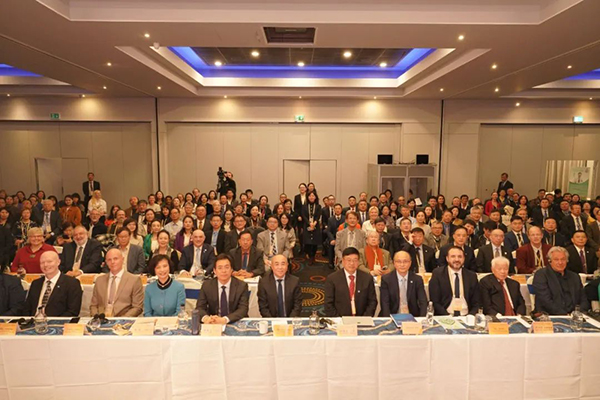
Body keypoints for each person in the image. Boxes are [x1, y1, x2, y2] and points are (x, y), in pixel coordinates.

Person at [532, 246, 590, 315]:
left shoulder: (574, 276)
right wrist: (565, 314)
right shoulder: (541, 275)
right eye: (556, 260)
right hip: (549, 316)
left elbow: (583, 299)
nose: (560, 262)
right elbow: (545, 301)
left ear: (567, 261)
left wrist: (579, 313)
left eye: (563, 259)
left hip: (575, 316)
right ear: (550, 261)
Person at [24, 251, 82, 317]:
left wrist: (54, 322)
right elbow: (27, 309)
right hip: (34, 321)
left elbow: (73, 311)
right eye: (42, 262)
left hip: (59, 322)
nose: (45, 265)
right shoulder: (36, 283)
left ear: (58, 262)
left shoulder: (71, 283)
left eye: (49, 261)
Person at [324, 247, 377, 317]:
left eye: (355, 260)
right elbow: (328, 304)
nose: (352, 263)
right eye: (348, 260)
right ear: (343, 261)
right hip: (340, 320)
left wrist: (364, 319)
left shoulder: (367, 278)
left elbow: (372, 302)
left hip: (362, 319)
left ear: (358, 262)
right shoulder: (332, 279)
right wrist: (339, 320)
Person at [90, 248, 144, 317]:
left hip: (124, 320)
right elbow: (93, 305)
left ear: (122, 259)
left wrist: (122, 320)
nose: (112, 262)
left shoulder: (134, 280)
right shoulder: (99, 280)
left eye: (115, 259)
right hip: (101, 319)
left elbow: (137, 307)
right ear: (106, 262)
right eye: (109, 260)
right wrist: (96, 317)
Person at [196, 254, 249, 324]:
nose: (223, 271)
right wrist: (207, 318)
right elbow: (200, 308)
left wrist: (225, 320)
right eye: (220, 268)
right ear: (214, 271)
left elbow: (243, 309)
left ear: (231, 269)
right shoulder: (207, 285)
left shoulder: (241, 286)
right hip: (213, 322)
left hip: (234, 321)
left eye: (227, 267)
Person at [429, 246, 481, 316]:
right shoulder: (438, 274)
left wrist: (470, 316)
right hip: (445, 316)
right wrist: (447, 317)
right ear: (447, 259)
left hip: (466, 316)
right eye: (453, 256)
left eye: (460, 257)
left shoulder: (471, 276)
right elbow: (435, 301)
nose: (457, 259)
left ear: (464, 259)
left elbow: (476, 302)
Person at [379, 250, 427, 317]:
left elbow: (423, 302)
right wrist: (388, 320)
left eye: (405, 261)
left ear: (410, 263)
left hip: (412, 316)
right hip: (392, 315)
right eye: (399, 262)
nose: (402, 265)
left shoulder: (417, 279)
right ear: (394, 263)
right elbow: (385, 303)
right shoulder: (386, 279)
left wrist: (422, 318)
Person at [300, 191, 322, 264]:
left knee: (315, 242)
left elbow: (318, 215)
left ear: (315, 197)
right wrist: (309, 223)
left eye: (313, 196)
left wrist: (315, 222)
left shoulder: (318, 206)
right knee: (308, 242)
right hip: (307, 225)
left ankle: (313, 256)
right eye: (310, 196)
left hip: (316, 225)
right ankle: (309, 255)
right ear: (307, 197)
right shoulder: (304, 206)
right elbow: (304, 215)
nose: (311, 197)